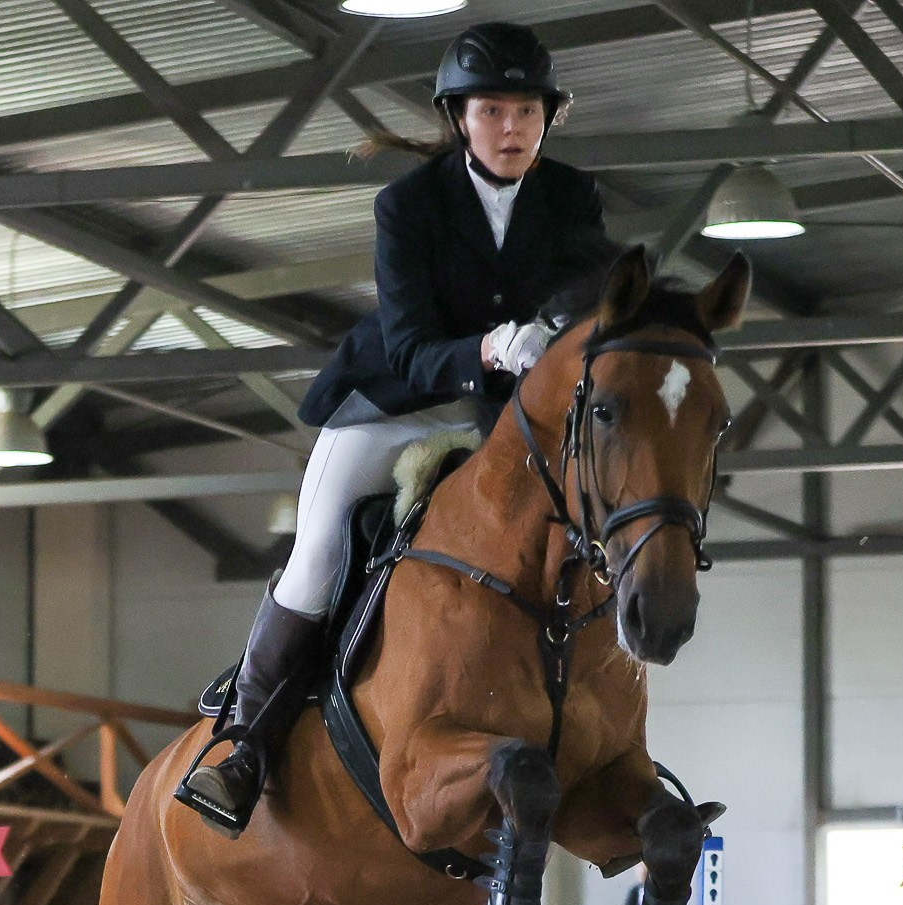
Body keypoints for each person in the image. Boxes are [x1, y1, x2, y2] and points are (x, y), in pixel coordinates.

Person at [175, 19, 618, 836]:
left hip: (506, 417)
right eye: (493, 112)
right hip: (399, 398)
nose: (512, 128)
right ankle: (245, 744)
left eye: (527, 112)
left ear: (549, 118)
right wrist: (488, 345)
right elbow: (412, 347)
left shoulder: (571, 196)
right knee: (317, 552)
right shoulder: (407, 205)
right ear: (459, 119)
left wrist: (555, 325)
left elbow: (593, 284)